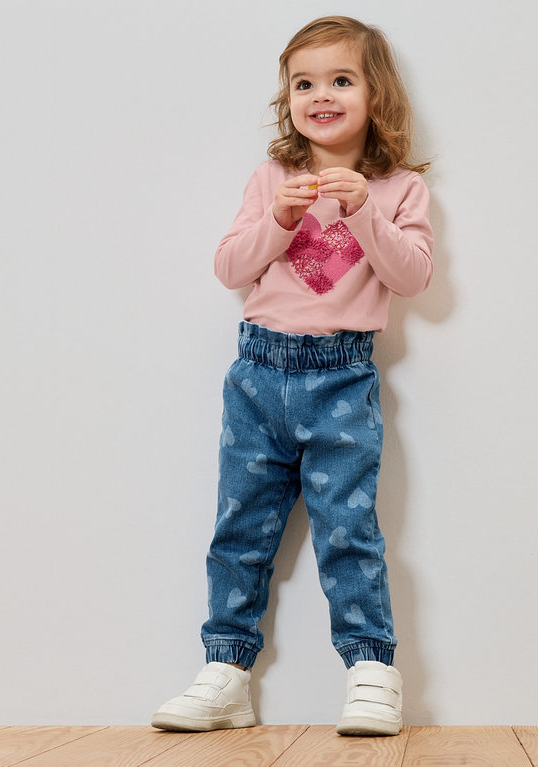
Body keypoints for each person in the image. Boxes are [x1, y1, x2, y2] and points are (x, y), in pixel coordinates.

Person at [152, 15, 432, 737]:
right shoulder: (271, 178)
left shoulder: (398, 189)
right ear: (288, 99)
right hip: (257, 375)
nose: (321, 95)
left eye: (341, 80)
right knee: (240, 528)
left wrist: (365, 211)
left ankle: (372, 670)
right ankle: (225, 671)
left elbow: (412, 276)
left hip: (341, 379)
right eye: (304, 84)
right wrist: (277, 219)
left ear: (376, 94)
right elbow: (229, 268)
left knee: (348, 529)